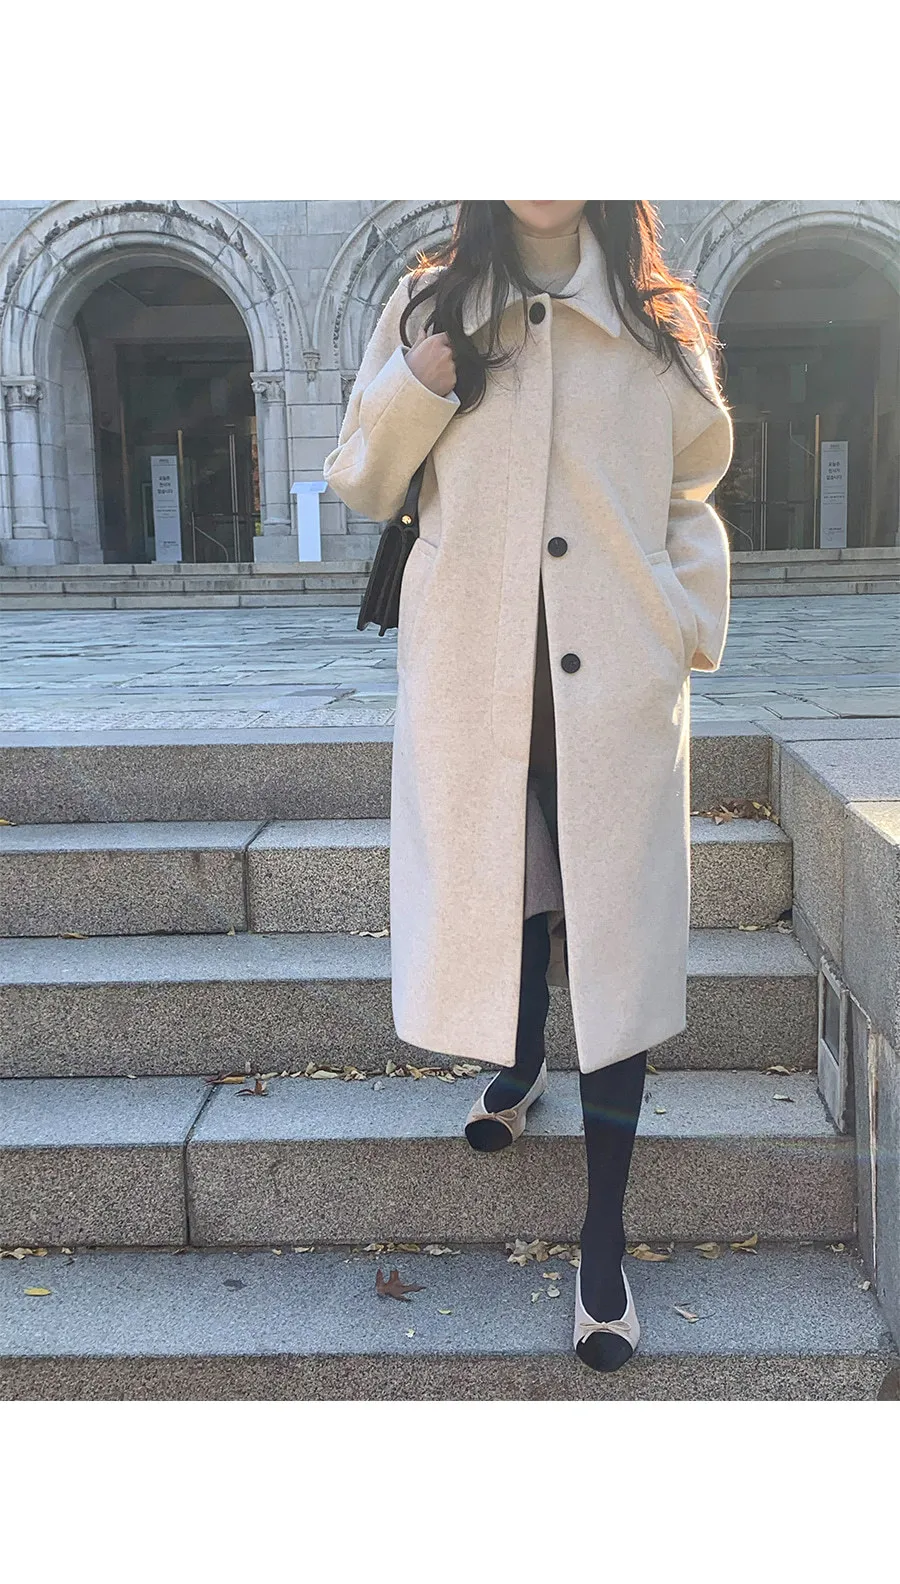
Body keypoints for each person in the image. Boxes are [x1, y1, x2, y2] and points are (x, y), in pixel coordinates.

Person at [323, 200, 734, 1373]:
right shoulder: (432, 303)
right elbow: (362, 479)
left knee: (617, 947)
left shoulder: (656, 320)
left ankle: (603, 1240)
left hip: (617, 684)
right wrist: (416, 384)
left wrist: (681, 623)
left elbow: (692, 492)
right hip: (476, 673)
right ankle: (519, 1059)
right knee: (513, 881)